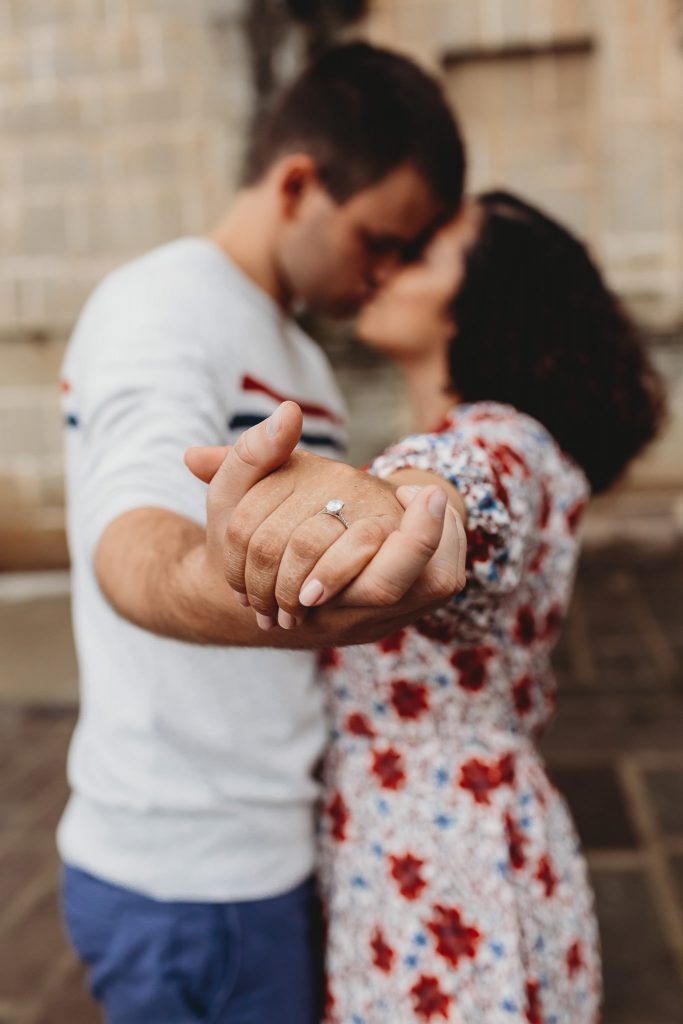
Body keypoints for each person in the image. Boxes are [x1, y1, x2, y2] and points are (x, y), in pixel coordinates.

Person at [58, 43, 467, 1024]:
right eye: (379, 239)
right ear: (297, 183)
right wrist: (288, 589)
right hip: (186, 872)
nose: (385, 274)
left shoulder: (299, 357)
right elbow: (130, 542)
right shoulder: (160, 306)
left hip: (272, 849)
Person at [201, 192, 664, 1022]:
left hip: (452, 873)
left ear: (485, 296)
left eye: (416, 253)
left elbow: (462, 487)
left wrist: (389, 505)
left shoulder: (507, 440)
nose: (382, 264)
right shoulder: (501, 437)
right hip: (411, 850)